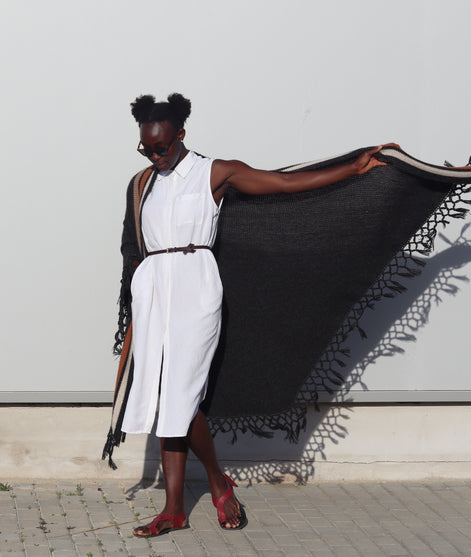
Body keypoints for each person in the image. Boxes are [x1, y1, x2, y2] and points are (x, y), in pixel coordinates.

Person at [118, 93, 387, 537]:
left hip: (195, 286)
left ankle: (217, 483)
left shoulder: (214, 172)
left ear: (181, 135)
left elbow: (283, 184)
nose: (154, 156)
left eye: (161, 147)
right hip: (153, 291)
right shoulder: (142, 182)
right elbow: (132, 246)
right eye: (146, 149)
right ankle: (175, 510)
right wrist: (134, 296)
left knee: (181, 395)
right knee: (166, 397)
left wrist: (352, 169)